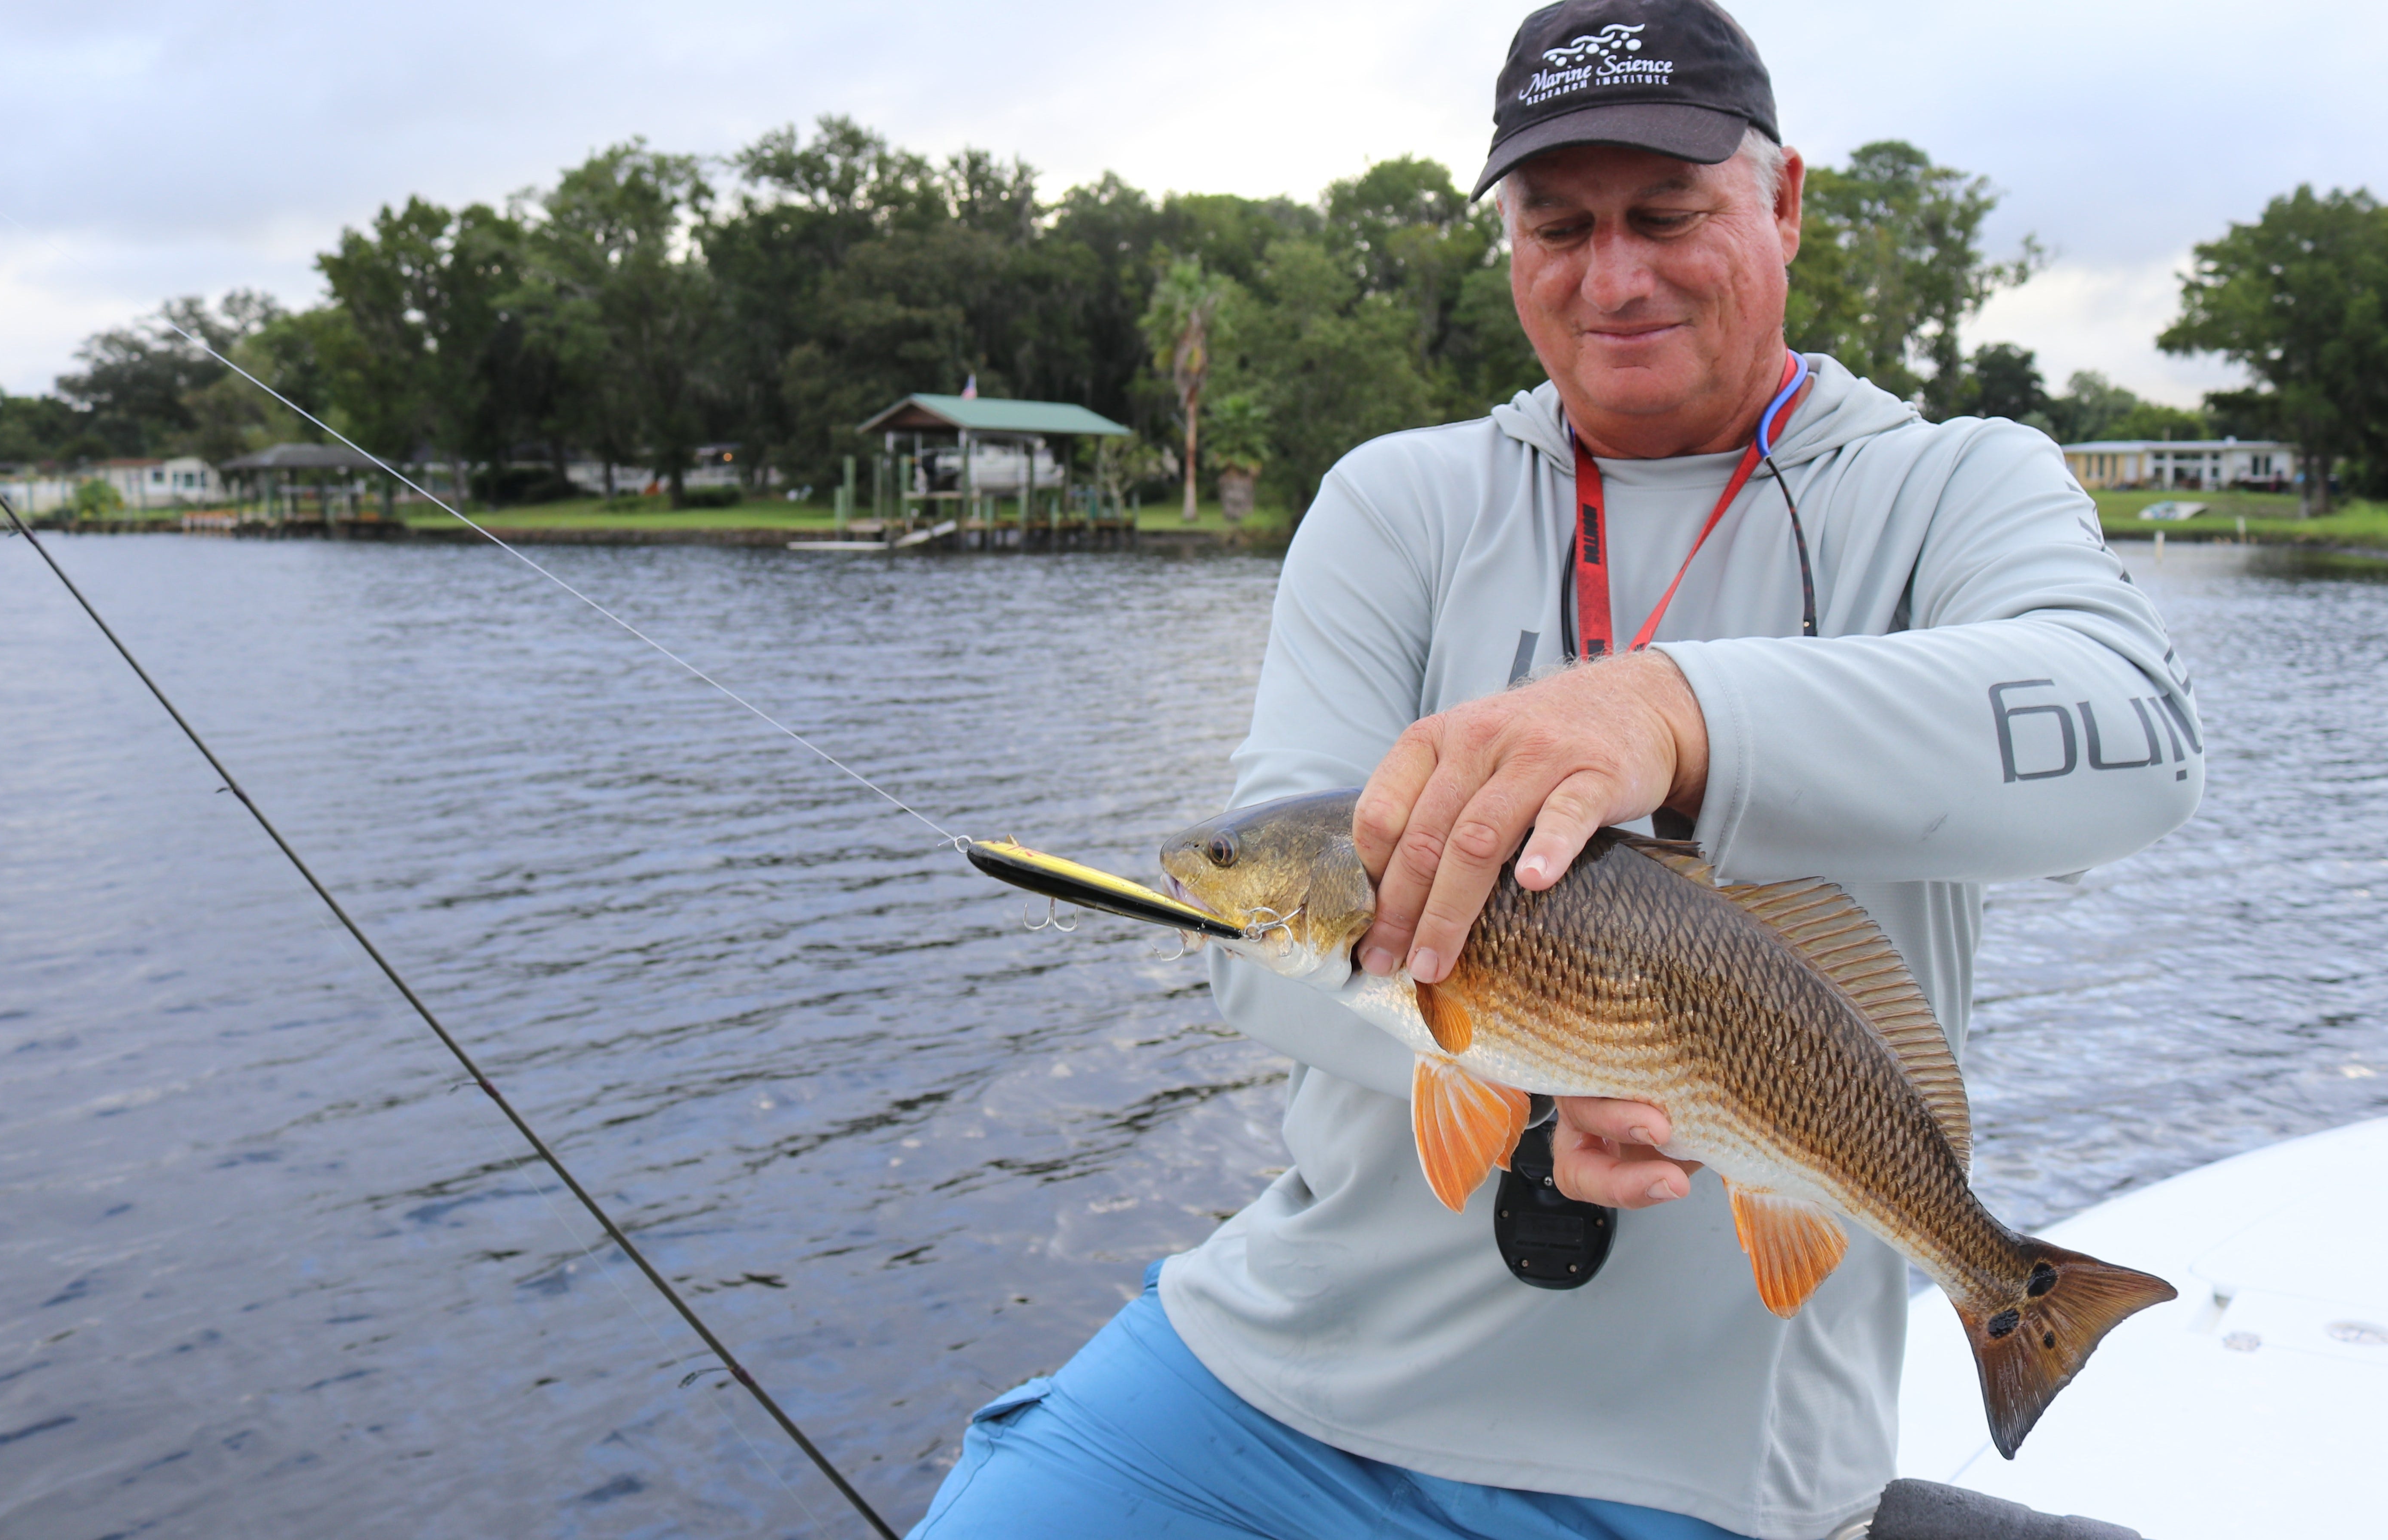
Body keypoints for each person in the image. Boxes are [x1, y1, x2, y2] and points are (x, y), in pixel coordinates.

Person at [912, 1, 2202, 1535]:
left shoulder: (1952, 485)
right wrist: (1530, 1092)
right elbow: (1255, 959)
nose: (1615, 276)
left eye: (1668, 214)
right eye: (1557, 223)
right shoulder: (1399, 502)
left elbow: (2136, 736)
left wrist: (1673, 711)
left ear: (1783, 200)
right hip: (1271, 1372)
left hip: (1701, 1467)